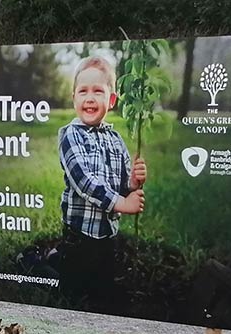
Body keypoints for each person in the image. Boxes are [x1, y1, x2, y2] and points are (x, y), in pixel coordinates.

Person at [58, 54, 148, 303]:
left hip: (108, 233)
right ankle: (45, 262)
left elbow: (123, 184)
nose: (89, 98)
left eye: (98, 91)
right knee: (73, 289)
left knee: (104, 285)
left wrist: (133, 182)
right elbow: (84, 182)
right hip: (80, 234)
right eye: (82, 91)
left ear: (111, 100)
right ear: (73, 97)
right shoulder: (70, 135)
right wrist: (122, 203)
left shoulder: (115, 139)